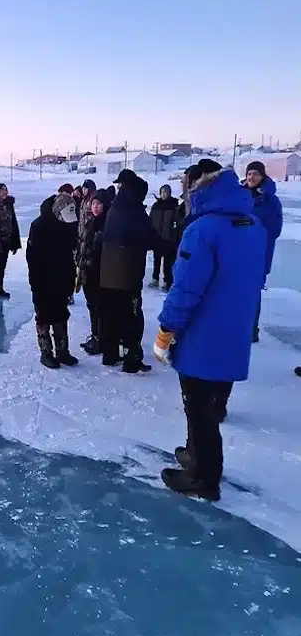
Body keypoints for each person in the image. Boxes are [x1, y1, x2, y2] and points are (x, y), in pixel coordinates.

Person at [154, 160, 266, 501]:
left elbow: (186, 288)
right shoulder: (251, 224)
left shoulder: (203, 230)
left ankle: (204, 476)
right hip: (233, 328)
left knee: (198, 405)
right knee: (207, 402)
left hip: (204, 332)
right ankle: (197, 455)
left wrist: (166, 331)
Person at [99, 170, 155, 373]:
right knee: (132, 316)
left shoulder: (115, 207)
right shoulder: (134, 211)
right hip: (127, 275)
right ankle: (132, 357)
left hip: (109, 274)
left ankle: (110, 353)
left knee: (111, 314)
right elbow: (148, 239)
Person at [26, 193, 79, 368]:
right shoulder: (39, 226)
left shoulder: (69, 225)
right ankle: (46, 353)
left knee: (61, 315)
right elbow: (32, 259)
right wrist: (36, 283)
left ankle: (62, 352)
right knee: (44, 317)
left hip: (62, 278)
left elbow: (71, 254)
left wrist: (71, 279)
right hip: (43, 281)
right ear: (57, 211)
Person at [243, 161, 283, 343]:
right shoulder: (238, 195)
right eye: (249, 173)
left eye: (256, 174)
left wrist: (253, 232)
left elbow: (275, 229)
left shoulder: (271, 200)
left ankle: (252, 329)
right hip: (235, 251)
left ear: (262, 176)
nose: (252, 177)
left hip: (258, 253)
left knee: (252, 292)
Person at [77, 189, 112, 355]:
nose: (95, 207)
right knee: (92, 306)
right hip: (88, 272)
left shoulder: (107, 224)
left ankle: (101, 339)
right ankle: (95, 336)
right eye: (93, 204)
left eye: (98, 204)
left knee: (99, 307)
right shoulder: (91, 222)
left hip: (100, 273)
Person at [149, 184, 180, 290]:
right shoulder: (156, 206)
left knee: (168, 262)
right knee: (156, 260)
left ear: (169, 193)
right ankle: (155, 278)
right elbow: (151, 220)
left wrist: (174, 235)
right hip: (157, 237)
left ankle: (167, 280)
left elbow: (177, 221)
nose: (163, 194)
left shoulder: (174, 206)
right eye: (162, 192)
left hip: (168, 238)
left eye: (165, 192)